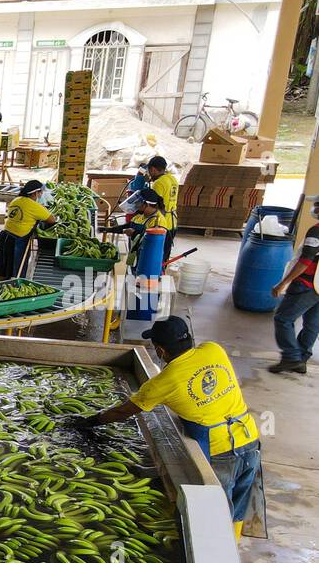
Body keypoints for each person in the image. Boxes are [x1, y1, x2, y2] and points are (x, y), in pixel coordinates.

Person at [68, 317, 259, 540]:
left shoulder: (164, 382)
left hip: (220, 452)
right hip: (249, 437)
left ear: (160, 350)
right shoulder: (213, 349)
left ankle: (223, 551)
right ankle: (234, 547)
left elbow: (122, 412)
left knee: (217, 508)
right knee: (240, 499)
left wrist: (89, 422)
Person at [268, 196, 319, 374]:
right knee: (312, 324)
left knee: (283, 318)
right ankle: (302, 359)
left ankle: (291, 357)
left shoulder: (316, 231)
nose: (315, 208)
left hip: (307, 284)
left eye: (317, 205)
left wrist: (283, 283)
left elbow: (305, 261)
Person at [0, 180, 56, 280]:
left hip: (3, 237)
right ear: (35, 193)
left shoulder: (16, 200)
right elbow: (52, 220)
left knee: (3, 267)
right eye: (40, 193)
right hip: (17, 242)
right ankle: (13, 291)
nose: (41, 195)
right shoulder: (34, 206)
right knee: (16, 271)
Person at [102, 187, 169, 269]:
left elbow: (152, 243)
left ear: (146, 204)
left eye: (138, 202)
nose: (135, 205)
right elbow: (126, 227)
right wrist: (107, 229)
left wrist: (134, 233)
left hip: (149, 260)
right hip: (136, 254)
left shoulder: (158, 221)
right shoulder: (140, 216)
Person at [147, 156, 178, 263]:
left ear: (153, 169)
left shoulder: (158, 183)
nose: (150, 174)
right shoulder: (172, 179)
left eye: (150, 171)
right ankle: (161, 274)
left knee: (156, 254)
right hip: (173, 222)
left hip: (162, 223)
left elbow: (154, 204)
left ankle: (154, 276)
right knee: (165, 253)